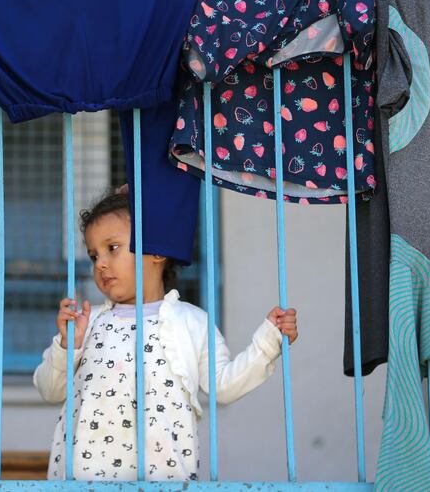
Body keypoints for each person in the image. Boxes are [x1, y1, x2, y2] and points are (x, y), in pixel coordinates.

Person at [33, 190, 298, 481]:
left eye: (113, 248)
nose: (100, 264)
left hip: (164, 481)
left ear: (157, 250)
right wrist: (67, 345)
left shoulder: (192, 322)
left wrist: (268, 340)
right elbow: (49, 389)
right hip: (84, 481)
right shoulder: (88, 321)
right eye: (94, 254)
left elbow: (225, 386)